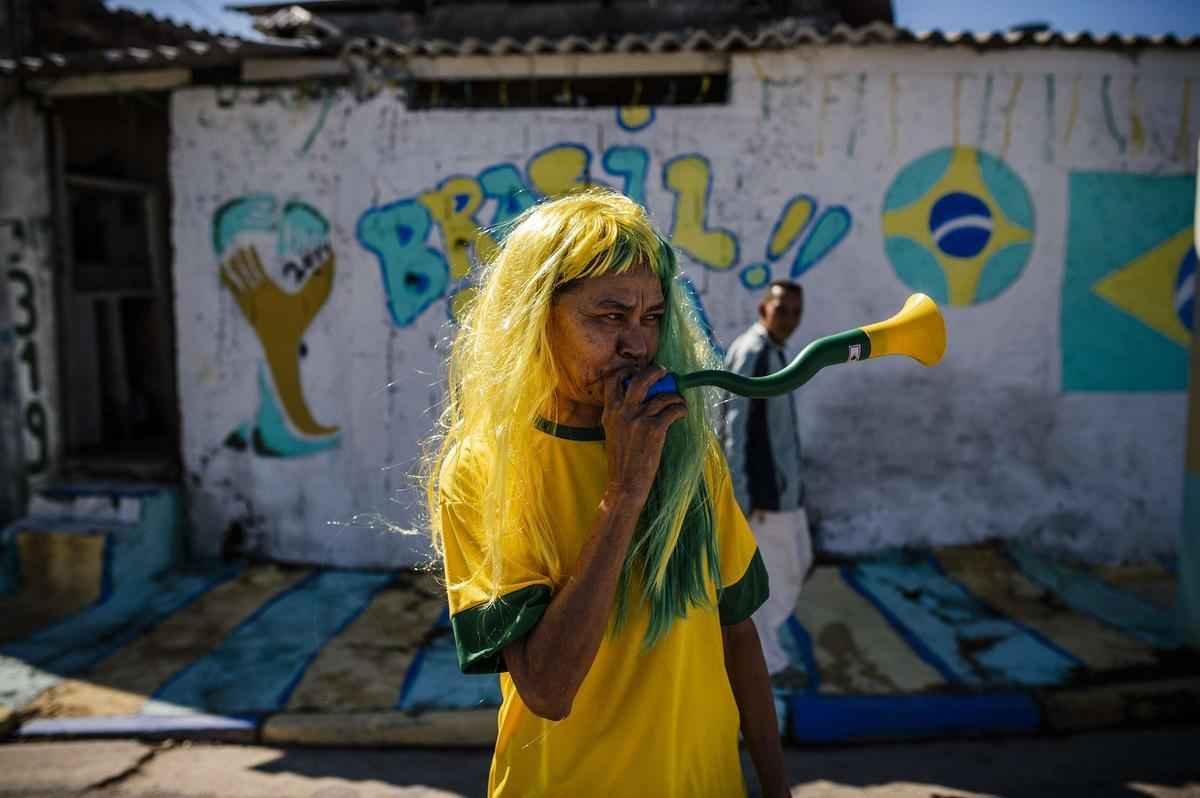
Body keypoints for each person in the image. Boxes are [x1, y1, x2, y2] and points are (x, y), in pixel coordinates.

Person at [424, 189, 788, 797]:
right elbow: (546, 688)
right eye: (609, 317)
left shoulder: (685, 449)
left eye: (650, 318)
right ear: (536, 317)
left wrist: (777, 787)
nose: (637, 345)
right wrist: (624, 491)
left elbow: (736, 630)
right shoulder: (483, 470)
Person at [721, 280, 813, 683]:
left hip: (783, 495)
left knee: (795, 566)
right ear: (763, 309)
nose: (789, 318)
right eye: (782, 309)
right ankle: (766, 666)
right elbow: (733, 430)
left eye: (795, 311)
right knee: (768, 584)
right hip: (762, 499)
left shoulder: (775, 352)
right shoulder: (755, 353)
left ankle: (765, 656)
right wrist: (741, 498)